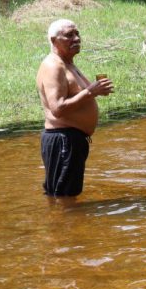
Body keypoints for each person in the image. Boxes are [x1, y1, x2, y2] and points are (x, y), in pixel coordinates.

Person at [36, 19, 114, 197]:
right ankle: (63, 225)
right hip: (63, 140)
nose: (76, 39)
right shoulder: (53, 66)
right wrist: (90, 92)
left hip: (71, 141)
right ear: (54, 40)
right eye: (69, 35)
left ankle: (68, 225)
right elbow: (57, 108)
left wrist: (95, 91)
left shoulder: (68, 63)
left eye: (77, 34)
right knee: (63, 199)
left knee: (65, 195)